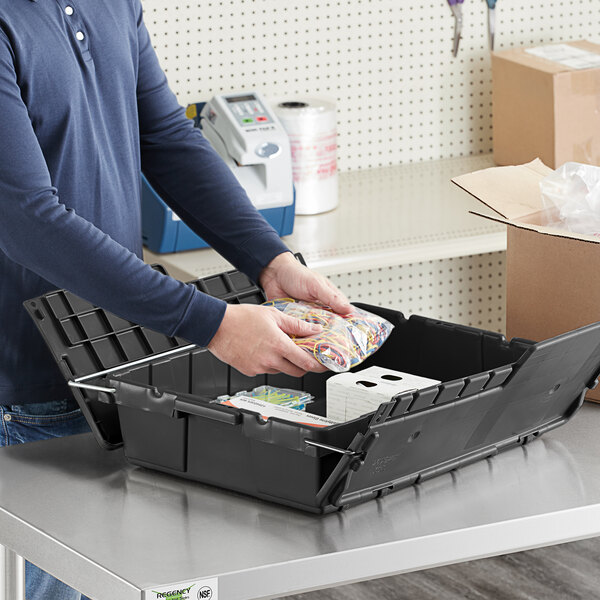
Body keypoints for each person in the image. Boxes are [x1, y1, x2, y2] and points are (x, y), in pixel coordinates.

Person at [0, 1, 351, 598]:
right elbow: (26, 218)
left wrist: (270, 260)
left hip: (108, 364)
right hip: (18, 395)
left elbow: (164, 135)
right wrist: (210, 324)